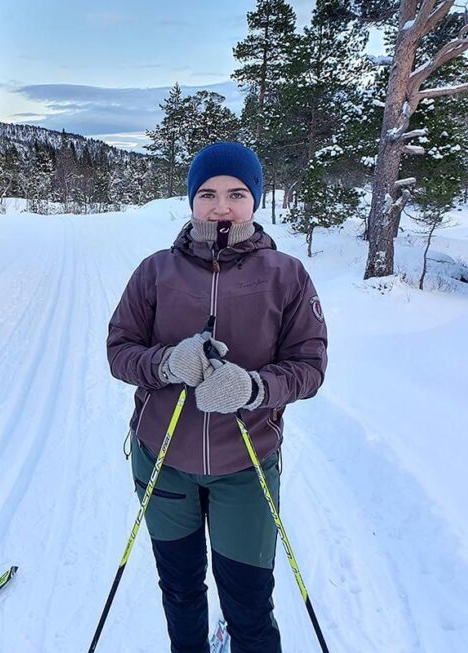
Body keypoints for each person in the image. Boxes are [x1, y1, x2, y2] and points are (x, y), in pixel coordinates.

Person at [106, 142, 327, 653]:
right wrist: (165, 364)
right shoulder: (155, 271)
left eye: (236, 194)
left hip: (246, 467)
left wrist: (254, 388)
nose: (221, 207)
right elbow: (119, 351)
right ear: (191, 200)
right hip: (163, 462)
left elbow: (310, 366)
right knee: (180, 592)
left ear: (256, 200)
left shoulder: (286, 274)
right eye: (207, 194)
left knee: (249, 606)